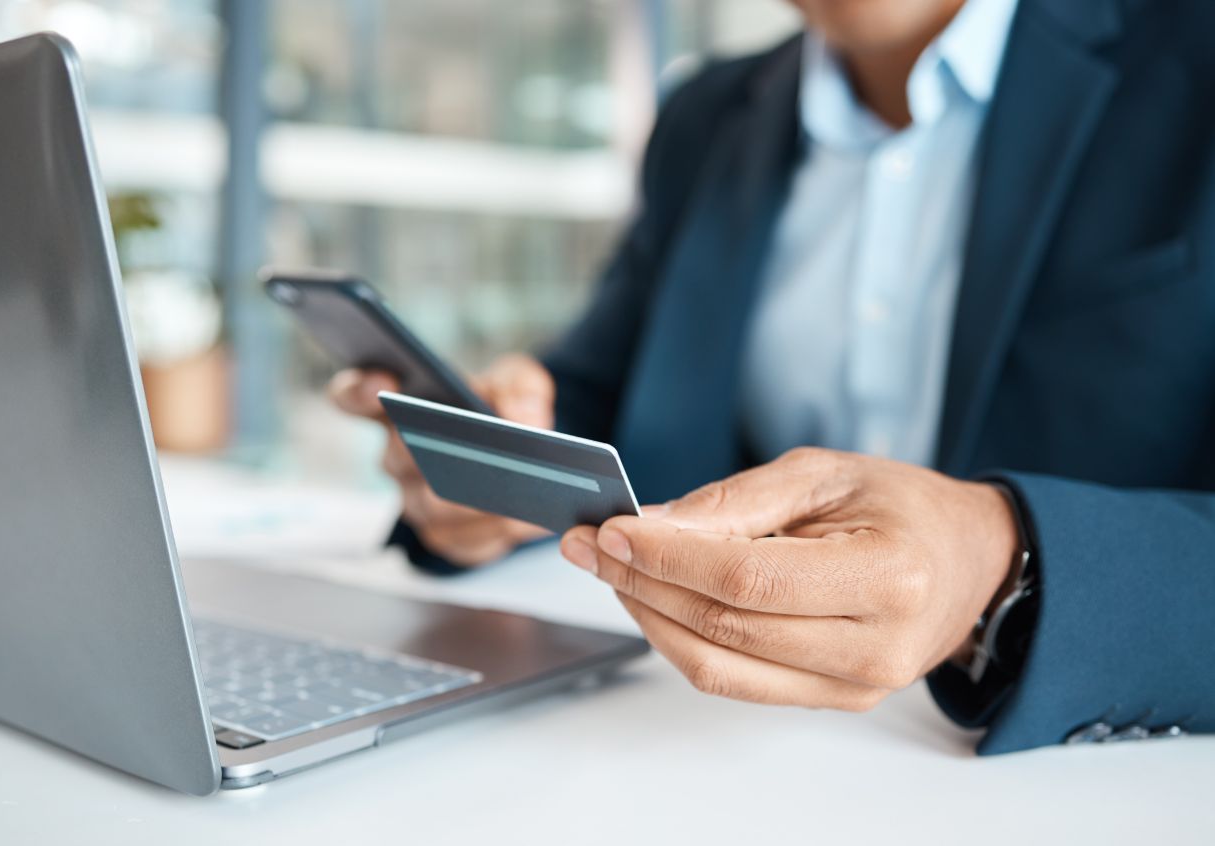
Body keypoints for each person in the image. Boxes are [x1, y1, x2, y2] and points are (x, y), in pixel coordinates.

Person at [331, 0, 1215, 754]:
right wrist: (488, 470)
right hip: (703, 747)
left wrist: (998, 563)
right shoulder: (707, 115)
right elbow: (596, 395)